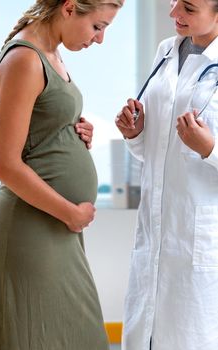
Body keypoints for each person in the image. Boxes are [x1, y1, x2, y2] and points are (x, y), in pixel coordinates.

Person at [0, 0, 124, 349]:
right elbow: (4, 164)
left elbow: (38, 130)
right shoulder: (25, 59)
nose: (101, 39)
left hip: (53, 228)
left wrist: (73, 132)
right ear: (70, 7)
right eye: (97, 26)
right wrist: (71, 213)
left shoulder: (50, 54)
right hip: (29, 229)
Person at [115, 0, 218, 349]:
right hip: (154, 232)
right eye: (174, 2)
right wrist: (135, 132)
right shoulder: (165, 51)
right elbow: (156, 152)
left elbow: (196, 152)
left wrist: (210, 148)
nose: (174, 15)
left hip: (199, 240)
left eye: (188, 8)